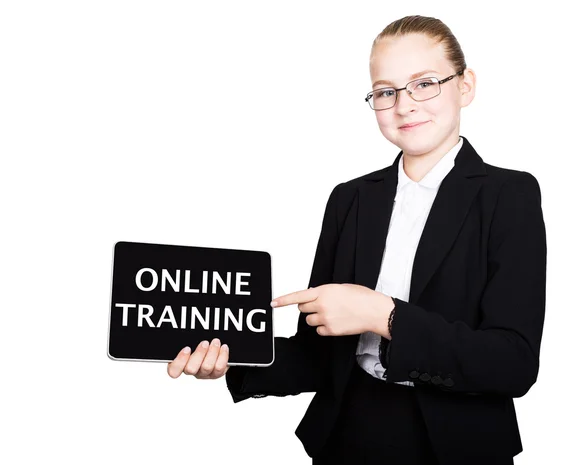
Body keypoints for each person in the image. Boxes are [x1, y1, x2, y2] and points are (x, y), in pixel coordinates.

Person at [167, 15, 547, 465]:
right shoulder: (350, 199)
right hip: (348, 437)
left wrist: (381, 314)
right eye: (386, 91)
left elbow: (513, 362)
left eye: (424, 83)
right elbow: (317, 356)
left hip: (458, 445)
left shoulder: (509, 194)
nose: (404, 106)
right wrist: (233, 358)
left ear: (464, 86)